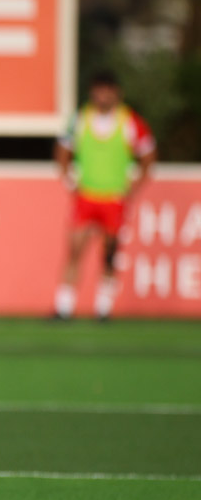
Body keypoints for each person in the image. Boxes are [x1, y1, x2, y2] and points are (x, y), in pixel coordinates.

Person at [52, 70, 156, 321]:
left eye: (107, 90)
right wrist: (69, 179)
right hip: (86, 195)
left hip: (114, 198)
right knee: (75, 249)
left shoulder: (130, 121)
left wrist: (133, 186)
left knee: (110, 254)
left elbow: (148, 155)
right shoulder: (80, 119)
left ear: (116, 93)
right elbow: (63, 150)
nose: (102, 95)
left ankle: (103, 308)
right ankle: (64, 307)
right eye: (98, 90)